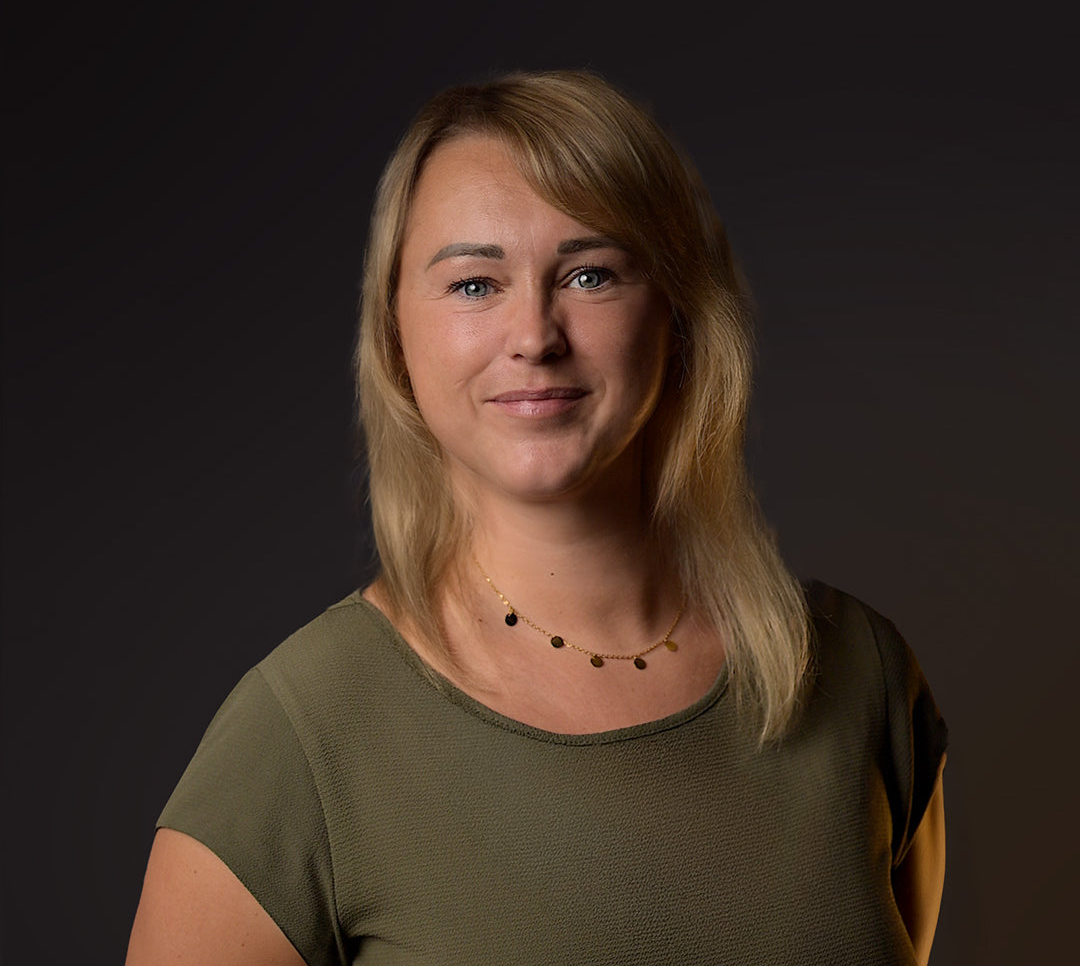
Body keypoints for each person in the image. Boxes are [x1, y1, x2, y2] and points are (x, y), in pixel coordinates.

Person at [126, 70, 947, 965]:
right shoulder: (303, 739)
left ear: (676, 315)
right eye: (474, 284)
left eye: (590, 274)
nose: (534, 334)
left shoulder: (858, 675)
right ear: (397, 337)